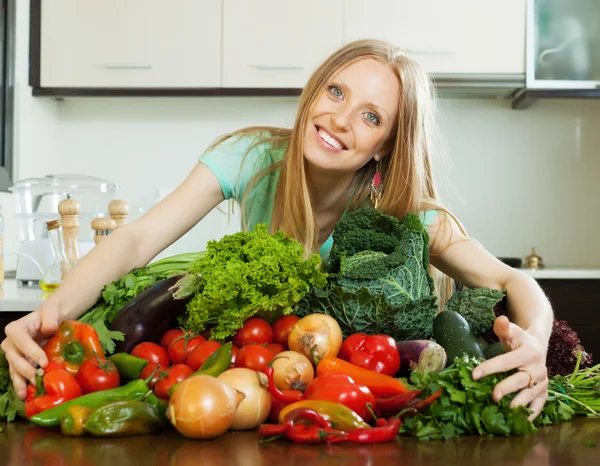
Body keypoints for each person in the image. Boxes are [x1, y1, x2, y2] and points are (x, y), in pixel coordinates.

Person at [1, 39, 552, 420]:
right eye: (335, 92)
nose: (339, 118)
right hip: (264, 389)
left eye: (371, 116)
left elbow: (514, 282)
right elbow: (137, 240)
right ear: (313, 91)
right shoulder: (252, 158)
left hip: (355, 402)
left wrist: (536, 344)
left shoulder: (407, 214)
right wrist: (48, 317)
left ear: (386, 144)